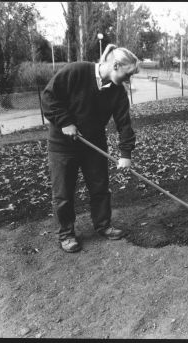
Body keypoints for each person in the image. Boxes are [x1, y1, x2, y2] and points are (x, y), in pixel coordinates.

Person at [41, 44, 140, 253]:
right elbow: (49, 98)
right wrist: (65, 122)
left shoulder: (117, 92)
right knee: (63, 193)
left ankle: (103, 225)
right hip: (62, 146)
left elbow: (124, 124)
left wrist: (125, 154)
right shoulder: (76, 71)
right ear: (115, 65)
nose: (128, 80)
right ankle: (67, 234)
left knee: (100, 188)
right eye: (127, 74)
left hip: (94, 144)